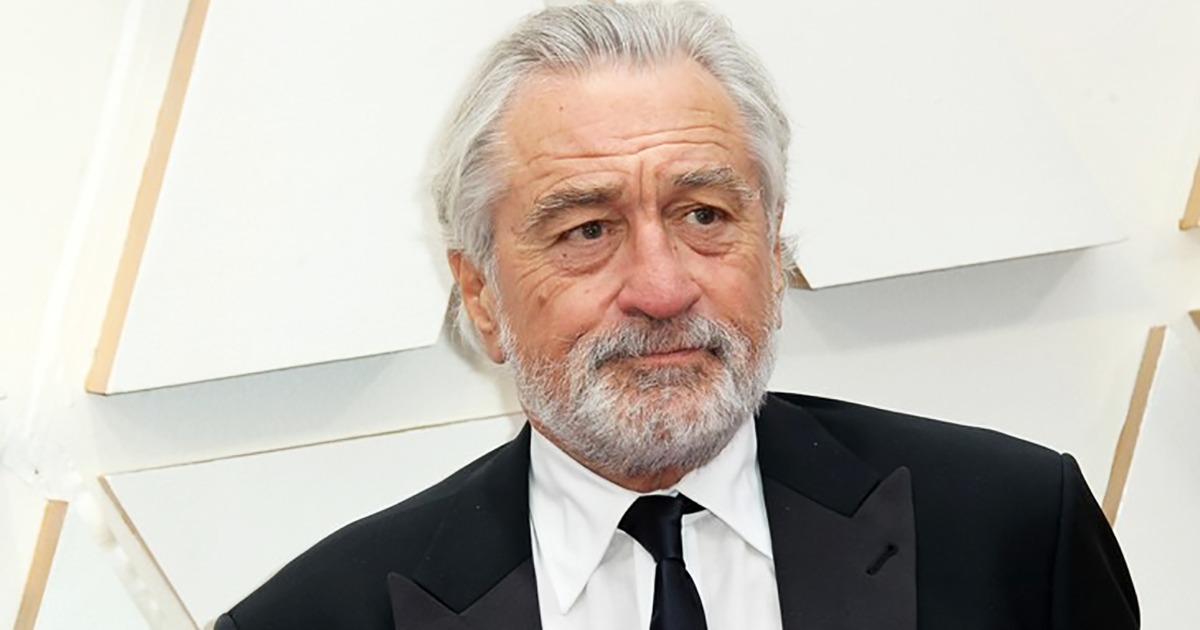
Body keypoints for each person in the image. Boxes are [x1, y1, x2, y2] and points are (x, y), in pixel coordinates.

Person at [216, 3, 1138, 629]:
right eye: (586, 229)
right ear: (482, 297)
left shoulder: (1014, 529)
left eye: (704, 215)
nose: (662, 290)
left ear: (772, 251)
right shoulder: (316, 618)